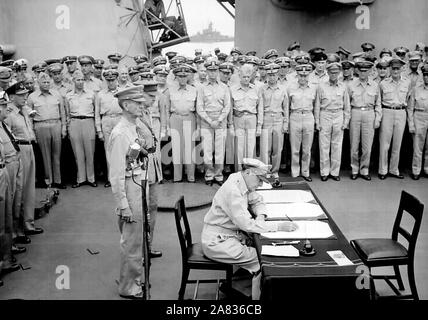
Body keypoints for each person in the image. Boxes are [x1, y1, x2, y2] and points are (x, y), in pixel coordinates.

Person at [201, 158, 298, 300]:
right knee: (262, 260)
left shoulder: (240, 180)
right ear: (249, 173)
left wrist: (261, 215)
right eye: (259, 180)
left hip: (229, 234)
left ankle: (240, 286)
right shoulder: (233, 190)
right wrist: (278, 226)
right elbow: (246, 225)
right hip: (217, 242)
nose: (260, 184)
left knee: (260, 250)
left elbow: (257, 200)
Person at [107, 85, 154, 299]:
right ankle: (128, 287)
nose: (142, 105)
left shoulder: (133, 127)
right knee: (132, 241)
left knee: (137, 239)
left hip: (139, 184)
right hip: (129, 189)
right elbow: (116, 174)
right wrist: (123, 205)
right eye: (137, 103)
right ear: (126, 105)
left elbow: (135, 153)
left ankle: (133, 279)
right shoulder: (119, 133)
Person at [5, 82, 43, 236]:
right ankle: (16, 231)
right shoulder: (8, 113)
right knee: (18, 190)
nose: (24, 97)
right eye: (20, 95)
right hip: (18, 150)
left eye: (25, 94)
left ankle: (28, 224)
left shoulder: (24, 110)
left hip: (29, 147)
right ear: (11, 97)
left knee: (29, 189)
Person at [27, 72, 67, 188]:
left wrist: (63, 127)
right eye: (43, 82)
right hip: (40, 126)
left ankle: (58, 181)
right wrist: (31, 132)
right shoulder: (32, 97)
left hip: (56, 124)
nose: (46, 84)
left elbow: (62, 112)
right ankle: (48, 181)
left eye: (48, 82)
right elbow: (29, 117)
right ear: (38, 83)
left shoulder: (56, 94)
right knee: (45, 155)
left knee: (57, 154)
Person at [196, 60, 231, 186]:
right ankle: (209, 175)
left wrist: (219, 120)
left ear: (218, 71)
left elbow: (227, 106)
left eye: (215, 70)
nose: (212, 73)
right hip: (207, 121)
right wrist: (210, 121)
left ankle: (219, 175)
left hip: (220, 121)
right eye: (210, 70)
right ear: (206, 71)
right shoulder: (201, 88)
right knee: (207, 151)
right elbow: (199, 107)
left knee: (220, 151)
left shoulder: (224, 87)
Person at [314, 62, 351, 181]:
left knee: (337, 145)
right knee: (324, 145)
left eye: (336, 72)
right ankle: (324, 172)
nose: (334, 75)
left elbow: (347, 106)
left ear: (339, 73)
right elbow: (317, 105)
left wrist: (346, 121)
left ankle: (335, 172)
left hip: (338, 114)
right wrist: (317, 121)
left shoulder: (343, 86)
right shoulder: (321, 86)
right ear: (328, 73)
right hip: (325, 114)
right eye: (331, 72)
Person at [347, 60, 382, 180]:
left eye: (365, 71)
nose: (363, 73)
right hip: (355, 112)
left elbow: (378, 104)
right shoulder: (351, 85)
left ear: (370, 71)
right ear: (357, 71)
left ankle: (364, 169)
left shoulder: (375, 85)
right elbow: (346, 104)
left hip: (369, 113)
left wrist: (378, 118)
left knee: (367, 145)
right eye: (361, 71)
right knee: (354, 144)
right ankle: (354, 169)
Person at [0, 91, 22, 275]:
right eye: (2, 106)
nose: (6, 108)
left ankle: (7, 258)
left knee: (7, 215)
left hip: (6, 169)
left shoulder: (3, 125)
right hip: (3, 169)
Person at [378, 58, 410, 180]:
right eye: (393, 68)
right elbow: (379, 101)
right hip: (387, 111)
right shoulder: (383, 83)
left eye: (398, 68)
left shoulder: (407, 82)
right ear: (390, 69)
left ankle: (393, 169)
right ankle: (383, 170)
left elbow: (408, 98)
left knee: (397, 143)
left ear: (401, 69)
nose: (395, 71)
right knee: (384, 143)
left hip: (401, 112)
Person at [165, 64, 198, 182]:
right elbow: (167, 110)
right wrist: (167, 127)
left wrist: (198, 126)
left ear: (188, 77)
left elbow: (198, 110)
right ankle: (177, 177)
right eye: (180, 76)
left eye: (184, 76)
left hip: (190, 117)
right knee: (176, 148)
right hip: (175, 118)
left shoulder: (194, 90)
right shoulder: (170, 91)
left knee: (190, 148)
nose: (182, 79)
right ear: (176, 77)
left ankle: (191, 176)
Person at [64, 70, 97, 188]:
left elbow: (96, 111)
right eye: (78, 80)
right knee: (78, 153)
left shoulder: (91, 94)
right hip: (74, 122)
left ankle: (91, 178)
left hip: (88, 121)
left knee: (90, 152)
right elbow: (67, 114)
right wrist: (68, 128)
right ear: (73, 81)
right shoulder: (68, 96)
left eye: (82, 79)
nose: (80, 82)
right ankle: (81, 179)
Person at [230, 64, 263, 171]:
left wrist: (259, 125)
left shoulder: (256, 89)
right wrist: (230, 124)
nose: (246, 79)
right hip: (238, 118)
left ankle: (249, 171)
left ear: (251, 77)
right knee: (239, 147)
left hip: (251, 118)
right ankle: (238, 171)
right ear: (240, 76)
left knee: (250, 147)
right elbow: (230, 109)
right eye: (244, 76)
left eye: (248, 77)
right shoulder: (232, 89)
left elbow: (260, 108)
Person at [287, 64, 317, 181]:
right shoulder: (291, 88)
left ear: (308, 75)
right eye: (300, 75)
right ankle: (295, 172)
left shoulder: (313, 88)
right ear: (297, 75)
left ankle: (305, 172)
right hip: (295, 116)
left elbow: (316, 105)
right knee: (295, 148)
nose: (303, 78)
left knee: (306, 148)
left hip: (309, 116)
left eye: (305, 76)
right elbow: (288, 105)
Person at [260, 63, 288, 184]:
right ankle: (265, 170)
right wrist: (260, 123)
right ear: (266, 75)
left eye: (274, 75)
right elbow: (260, 107)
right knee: (266, 148)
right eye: (270, 75)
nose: (272, 77)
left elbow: (286, 107)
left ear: (278, 75)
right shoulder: (262, 89)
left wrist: (285, 123)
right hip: (266, 119)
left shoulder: (283, 89)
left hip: (278, 119)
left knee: (277, 148)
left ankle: (275, 170)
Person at [95, 69, 122, 188]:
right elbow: (97, 113)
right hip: (106, 121)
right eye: (109, 80)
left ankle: (122, 177)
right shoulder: (100, 94)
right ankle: (111, 179)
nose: (111, 83)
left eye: (113, 80)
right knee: (109, 150)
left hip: (119, 120)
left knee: (121, 149)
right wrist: (99, 130)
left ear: (117, 79)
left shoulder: (122, 92)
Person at [407, 65, 428, 180]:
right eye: (425, 75)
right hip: (419, 116)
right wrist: (411, 124)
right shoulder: (416, 89)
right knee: (417, 146)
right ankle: (416, 170)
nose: (426, 78)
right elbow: (410, 108)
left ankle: (427, 169)